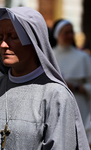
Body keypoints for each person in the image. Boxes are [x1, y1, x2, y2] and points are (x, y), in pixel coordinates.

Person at [0, 7, 90, 149]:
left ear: (33, 41)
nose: (3, 45)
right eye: (0, 38)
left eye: (13, 37)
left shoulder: (56, 96)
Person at [50, 19, 91, 147]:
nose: (69, 36)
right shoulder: (49, 55)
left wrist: (75, 87)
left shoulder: (83, 57)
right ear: (57, 34)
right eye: (65, 33)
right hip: (53, 103)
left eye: (71, 32)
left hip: (78, 104)